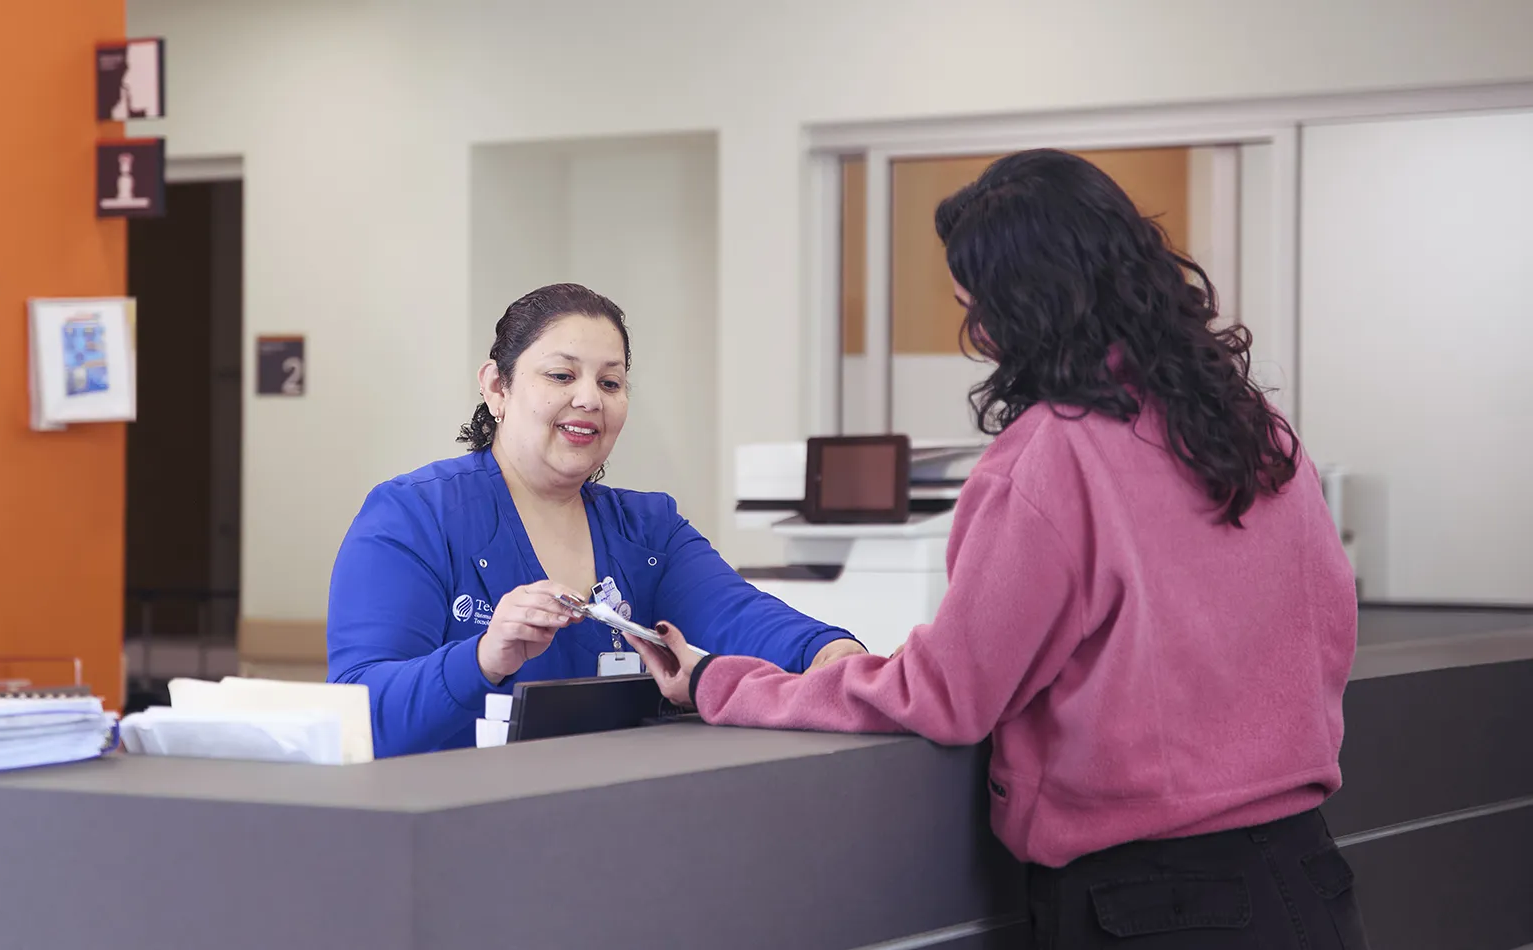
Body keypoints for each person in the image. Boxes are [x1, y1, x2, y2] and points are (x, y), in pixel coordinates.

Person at [628, 151, 1367, 949]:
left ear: (1022, 307)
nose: (974, 334)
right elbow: (1329, 627)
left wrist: (720, 683)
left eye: (973, 306)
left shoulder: (1051, 457)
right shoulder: (1250, 424)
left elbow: (948, 697)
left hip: (1157, 906)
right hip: (1305, 874)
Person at [327, 282, 867, 757]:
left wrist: (835, 655)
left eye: (610, 383)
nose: (588, 399)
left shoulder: (649, 530)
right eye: (561, 375)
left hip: (613, 825)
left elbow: (743, 618)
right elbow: (359, 713)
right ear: (497, 387)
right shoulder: (413, 517)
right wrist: (483, 658)